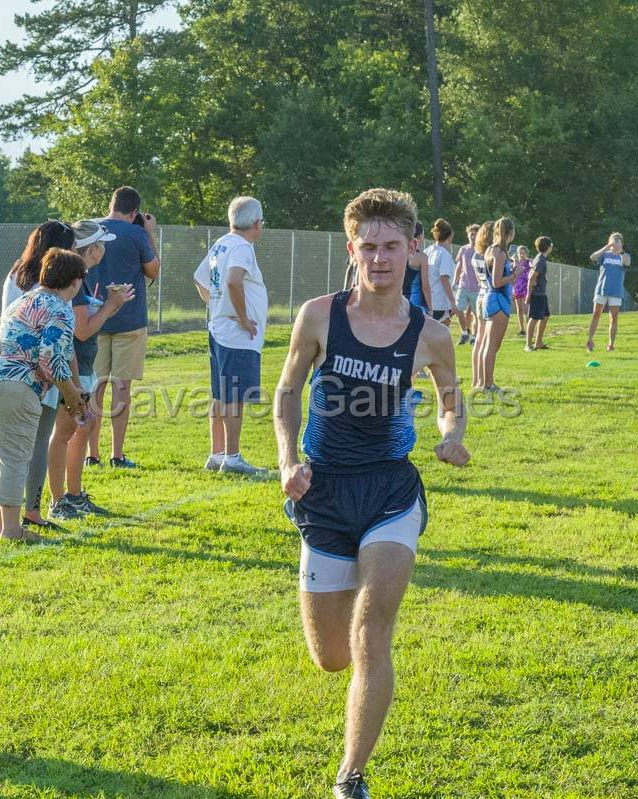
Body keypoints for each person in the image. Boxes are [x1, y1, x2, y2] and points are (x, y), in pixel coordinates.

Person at [275, 188, 469, 799]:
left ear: (414, 250)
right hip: (324, 491)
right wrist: (286, 462)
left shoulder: (431, 335)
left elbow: (449, 402)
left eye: (392, 246)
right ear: (352, 249)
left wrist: (451, 436)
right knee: (331, 656)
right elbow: (286, 394)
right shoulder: (318, 316)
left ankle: (350, 776)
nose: (379, 258)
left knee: (370, 631)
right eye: (368, 247)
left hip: (390, 489)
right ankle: (343, 581)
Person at [0, 248, 89, 541]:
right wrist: (73, 397)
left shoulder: (27, 298)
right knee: (13, 454)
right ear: (73, 281)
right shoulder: (60, 308)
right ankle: (11, 530)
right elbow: (52, 360)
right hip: (15, 383)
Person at [46, 221, 134, 520]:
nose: (104, 250)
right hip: (71, 366)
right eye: (102, 244)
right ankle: (60, 500)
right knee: (68, 430)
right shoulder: (75, 277)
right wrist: (111, 305)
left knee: (83, 425)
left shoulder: (79, 276)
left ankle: (73, 495)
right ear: (92, 249)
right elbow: (81, 331)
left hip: (81, 363)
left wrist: (109, 305)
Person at [192, 196, 270, 475]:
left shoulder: (221, 243)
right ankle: (233, 457)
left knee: (220, 395)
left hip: (219, 328)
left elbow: (200, 279)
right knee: (234, 396)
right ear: (257, 223)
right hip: (235, 333)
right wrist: (241, 317)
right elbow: (234, 280)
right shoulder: (242, 247)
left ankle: (217, 453)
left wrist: (217, 306)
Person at [86, 186, 161, 469]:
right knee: (121, 388)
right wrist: (150, 232)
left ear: (111, 204)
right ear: (134, 213)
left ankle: (91, 453)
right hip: (129, 319)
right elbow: (153, 271)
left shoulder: (90, 229)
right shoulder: (138, 233)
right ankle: (117, 455)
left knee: (95, 387)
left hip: (94, 317)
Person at [475, 217, 515, 392]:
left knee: (487, 344)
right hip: (498, 299)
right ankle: (487, 384)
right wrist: (515, 274)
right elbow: (497, 281)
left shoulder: (490, 249)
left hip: (490, 299)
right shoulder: (501, 252)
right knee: (492, 345)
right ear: (510, 233)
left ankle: (484, 382)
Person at [586, 232, 631, 352]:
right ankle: (590, 341)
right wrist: (607, 247)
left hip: (615, 291)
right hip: (601, 289)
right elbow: (592, 257)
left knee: (613, 317)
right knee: (596, 314)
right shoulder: (605, 255)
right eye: (613, 240)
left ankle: (611, 344)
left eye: (618, 241)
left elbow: (627, 263)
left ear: (621, 243)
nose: (615, 243)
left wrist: (620, 250)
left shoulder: (624, 256)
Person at [469, 221, 494, 388]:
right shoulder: (490, 254)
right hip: (488, 297)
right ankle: (484, 382)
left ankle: (476, 379)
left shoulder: (475, 254)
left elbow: (479, 280)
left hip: (480, 296)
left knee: (478, 340)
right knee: (486, 342)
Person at [423, 218, 457, 325]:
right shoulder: (444, 255)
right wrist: (452, 302)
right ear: (450, 236)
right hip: (441, 303)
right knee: (441, 338)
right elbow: (444, 278)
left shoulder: (427, 251)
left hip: (427, 302)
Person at [451, 224, 479, 344]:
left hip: (477, 288)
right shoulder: (463, 249)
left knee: (476, 314)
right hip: (463, 285)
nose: (473, 236)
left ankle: (474, 336)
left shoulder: (482, 250)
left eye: (475, 234)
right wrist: (454, 282)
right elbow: (459, 266)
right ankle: (464, 333)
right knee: (458, 309)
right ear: (468, 235)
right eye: (471, 234)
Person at [525, 237, 553, 351]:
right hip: (537, 294)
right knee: (534, 318)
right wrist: (528, 294)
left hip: (542, 293)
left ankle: (538, 342)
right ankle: (528, 345)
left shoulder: (541, 259)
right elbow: (532, 277)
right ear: (548, 247)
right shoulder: (541, 260)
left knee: (545, 316)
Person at [403, 221, 431, 312]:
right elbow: (425, 286)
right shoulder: (422, 257)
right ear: (419, 236)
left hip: (400, 301)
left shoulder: (400, 252)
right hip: (416, 302)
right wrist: (430, 309)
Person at [511, 244, 531, 334]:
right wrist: (514, 261)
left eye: (523, 253)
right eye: (520, 253)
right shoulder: (515, 263)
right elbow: (512, 274)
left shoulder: (529, 263)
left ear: (526, 253)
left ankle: (529, 328)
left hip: (526, 287)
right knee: (519, 309)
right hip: (517, 288)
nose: (521, 255)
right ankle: (521, 329)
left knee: (527, 309)